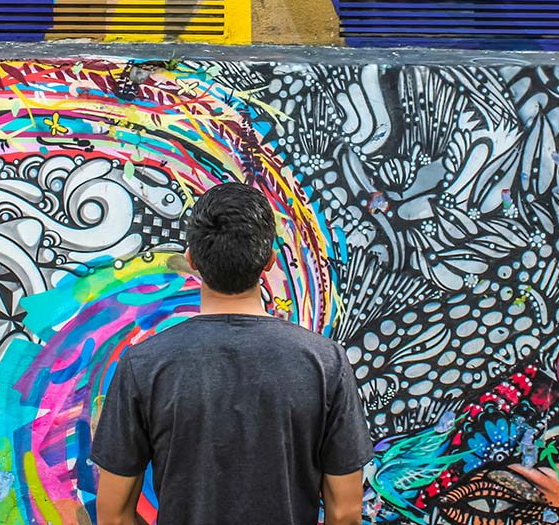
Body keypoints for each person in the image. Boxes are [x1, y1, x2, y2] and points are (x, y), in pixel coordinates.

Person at [90, 181, 374, 525]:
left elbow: (113, 516)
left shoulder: (144, 365)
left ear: (191, 259)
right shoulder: (324, 362)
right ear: (269, 260)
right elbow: (344, 514)